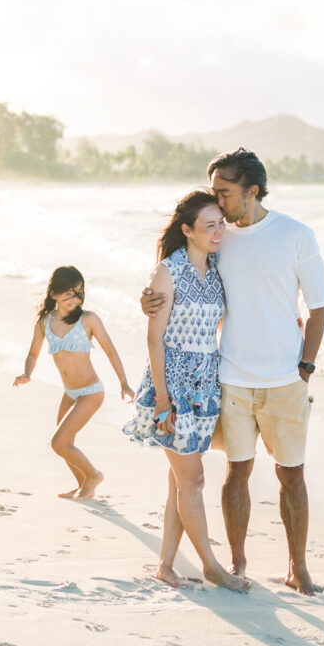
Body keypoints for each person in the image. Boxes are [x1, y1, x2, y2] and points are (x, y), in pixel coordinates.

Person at [141, 149, 324, 595]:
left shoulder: (295, 235)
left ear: (252, 190)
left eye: (224, 193)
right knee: (236, 473)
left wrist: (305, 367)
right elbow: (182, 277)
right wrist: (149, 299)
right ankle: (236, 560)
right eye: (215, 195)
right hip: (231, 377)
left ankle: (297, 567)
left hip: (286, 378)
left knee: (292, 476)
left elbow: (318, 307)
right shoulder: (220, 238)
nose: (218, 204)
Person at [123, 189, 251, 594]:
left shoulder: (217, 269)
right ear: (187, 231)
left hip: (204, 385)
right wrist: (163, 400)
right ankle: (211, 566)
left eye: (220, 223)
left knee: (180, 481)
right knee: (192, 481)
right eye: (208, 226)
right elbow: (154, 339)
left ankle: (165, 565)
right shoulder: (168, 271)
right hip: (174, 386)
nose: (217, 232)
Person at [14, 266, 134, 499]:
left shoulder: (88, 320)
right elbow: (33, 354)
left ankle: (94, 476)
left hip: (91, 392)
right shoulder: (44, 322)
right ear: (54, 295)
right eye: (68, 294)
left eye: (78, 293)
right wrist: (27, 373)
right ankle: (83, 486)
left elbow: (110, 351)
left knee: (59, 443)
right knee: (65, 443)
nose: (75, 299)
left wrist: (124, 383)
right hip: (70, 392)